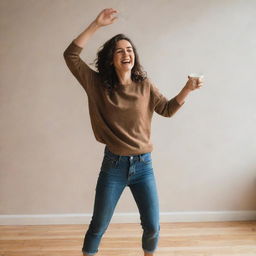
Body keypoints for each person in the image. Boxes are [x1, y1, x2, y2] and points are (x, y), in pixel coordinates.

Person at [63, 8, 204, 256]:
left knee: (152, 226)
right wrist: (96, 24)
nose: (126, 53)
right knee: (99, 225)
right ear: (110, 59)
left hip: (144, 166)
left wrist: (187, 89)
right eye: (119, 50)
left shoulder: (145, 86)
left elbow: (168, 109)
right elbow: (71, 55)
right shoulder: (96, 85)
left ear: (134, 57)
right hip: (113, 165)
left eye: (129, 50)